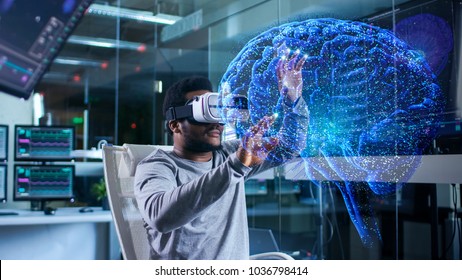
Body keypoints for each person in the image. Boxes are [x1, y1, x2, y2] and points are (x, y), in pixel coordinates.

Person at [134, 49, 309, 260]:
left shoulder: (230, 154)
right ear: (175, 125)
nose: (216, 122)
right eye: (204, 112)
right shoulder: (156, 166)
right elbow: (160, 217)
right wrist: (236, 166)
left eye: (218, 110)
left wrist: (292, 101)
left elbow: (290, 145)